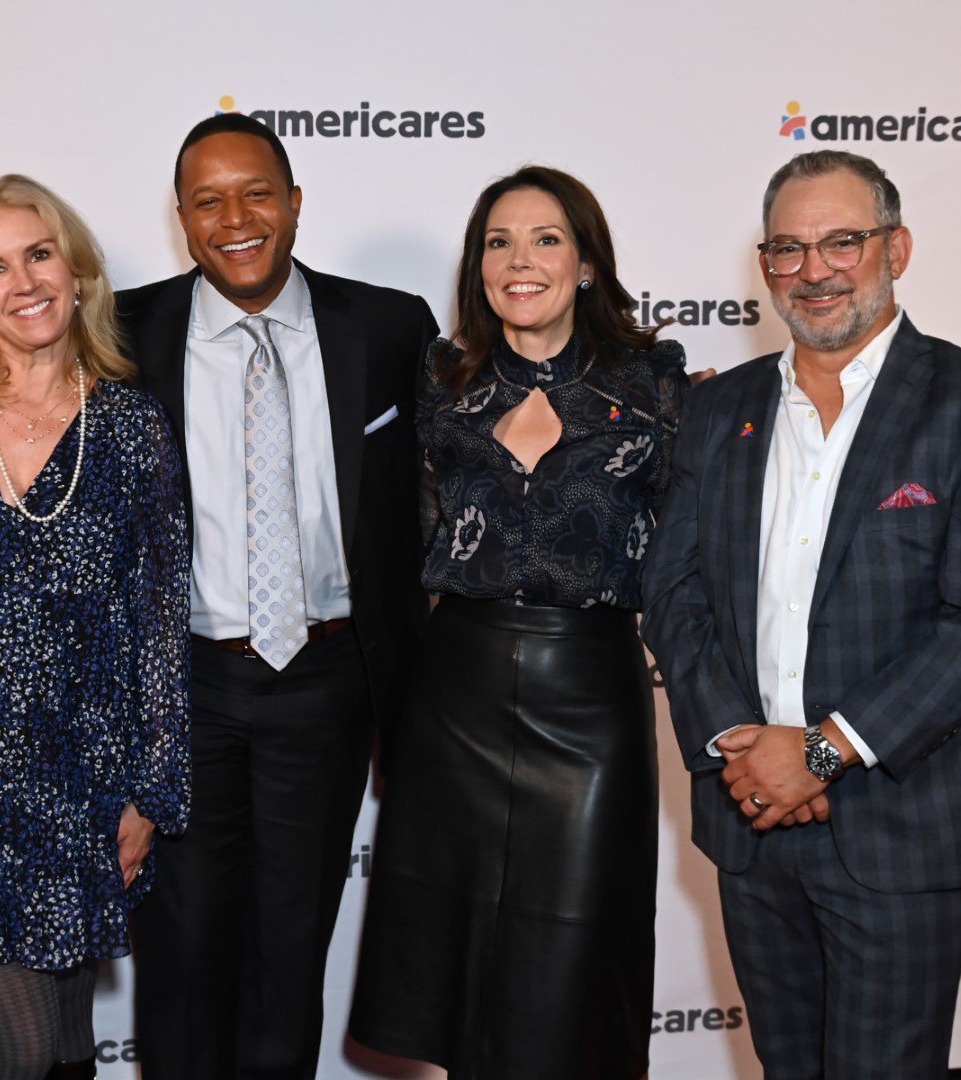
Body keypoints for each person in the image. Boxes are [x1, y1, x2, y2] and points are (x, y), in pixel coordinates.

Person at [641, 149, 961, 1078]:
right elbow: (673, 593)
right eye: (788, 250)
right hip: (753, 817)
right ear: (764, 266)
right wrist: (741, 747)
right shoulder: (718, 410)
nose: (815, 271)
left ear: (896, 248)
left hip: (899, 821)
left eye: (842, 242)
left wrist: (820, 752)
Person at [347, 166, 688, 1079]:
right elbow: (400, 543)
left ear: (584, 263)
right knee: (460, 976)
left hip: (591, 701)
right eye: (499, 241)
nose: (519, 260)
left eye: (545, 239)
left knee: (570, 978)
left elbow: (689, 558)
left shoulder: (652, 379)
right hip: (455, 694)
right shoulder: (441, 375)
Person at [117, 113, 438, 1080]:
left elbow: (466, 469)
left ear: (295, 203)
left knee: (292, 948)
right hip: (188, 689)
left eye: (257, 192)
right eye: (209, 201)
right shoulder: (126, 334)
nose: (237, 217)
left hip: (329, 681)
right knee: (181, 948)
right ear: (182, 220)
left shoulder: (388, 327)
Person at [0, 174, 190, 1080]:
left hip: (84, 785)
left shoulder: (132, 427)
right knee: (18, 1054)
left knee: (65, 1056)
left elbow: (161, 619)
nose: (23, 281)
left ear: (77, 268)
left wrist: (152, 788)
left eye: (39, 253)